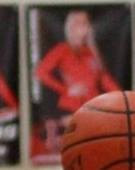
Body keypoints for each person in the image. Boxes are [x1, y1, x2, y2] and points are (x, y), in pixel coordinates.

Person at [35, 9, 120, 152]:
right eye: (77, 24)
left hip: (93, 105)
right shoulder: (62, 49)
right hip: (72, 106)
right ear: (70, 27)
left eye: (85, 23)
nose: (82, 27)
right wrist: (66, 89)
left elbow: (104, 78)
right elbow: (40, 72)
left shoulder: (91, 52)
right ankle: (57, 130)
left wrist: (121, 96)